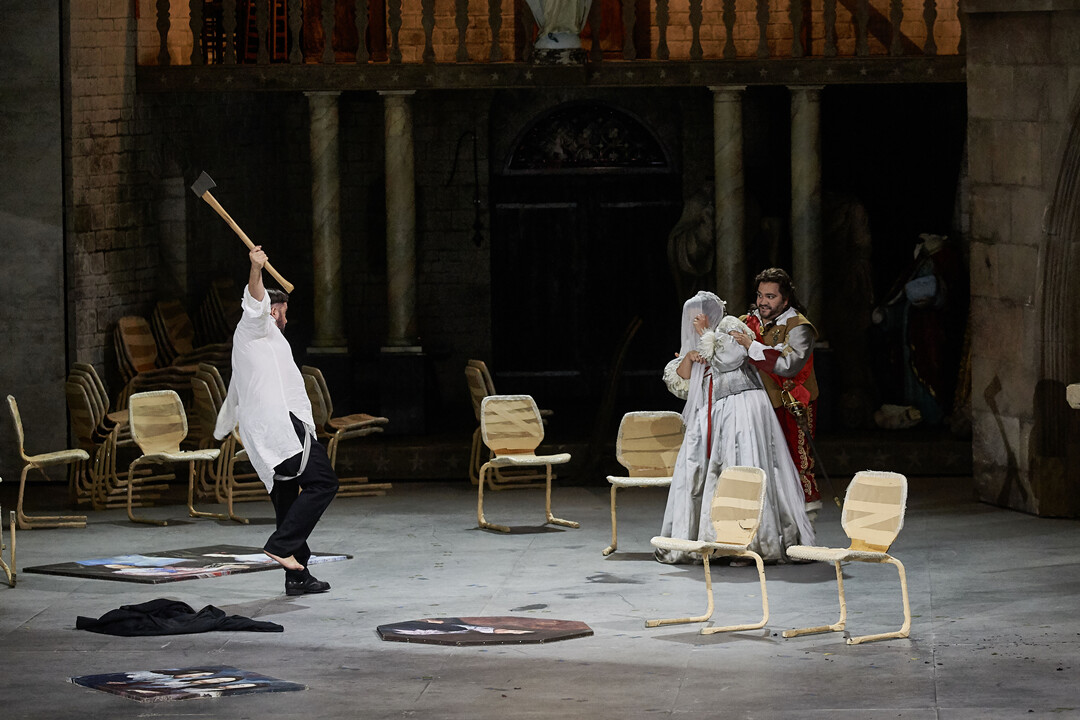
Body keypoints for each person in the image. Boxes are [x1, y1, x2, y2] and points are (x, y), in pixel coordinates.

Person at [214, 246, 339, 596]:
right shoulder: (254, 327)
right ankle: (280, 545)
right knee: (323, 482)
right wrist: (256, 268)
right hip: (279, 426)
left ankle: (297, 577)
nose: (285, 320)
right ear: (274, 310)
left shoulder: (265, 341)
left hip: (271, 427)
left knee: (286, 498)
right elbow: (254, 301)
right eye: (283, 312)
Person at [656, 291, 814, 564]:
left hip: (741, 407)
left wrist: (707, 334)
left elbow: (731, 357)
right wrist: (690, 357)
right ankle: (713, 540)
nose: (695, 320)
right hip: (712, 412)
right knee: (704, 472)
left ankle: (751, 541)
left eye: (700, 314)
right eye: (691, 316)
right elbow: (680, 384)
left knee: (742, 463)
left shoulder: (730, 326)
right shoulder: (692, 345)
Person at [731, 268, 822, 521]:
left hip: (793, 403)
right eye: (760, 295)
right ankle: (770, 518)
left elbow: (789, 366)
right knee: (763, 460)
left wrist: (751, 346)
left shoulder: (799, 327)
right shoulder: (748, 321)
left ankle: (806, 521)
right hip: (759, 405)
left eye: (770, 296)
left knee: (798, 461)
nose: (763, 301)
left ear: (785, 299)